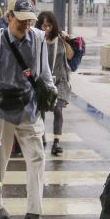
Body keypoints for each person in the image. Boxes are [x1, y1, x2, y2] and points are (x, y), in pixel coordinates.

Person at [0, 0, 56, 219]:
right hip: (0, 106)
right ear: (8, 17)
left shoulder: (38, 39)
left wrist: (51, 92)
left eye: (30, 21)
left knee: (37, 157)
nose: (26, 26)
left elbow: (45, 72)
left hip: (29, 106)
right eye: (21, 21)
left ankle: (34, 212)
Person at [35, 11, 74, 156]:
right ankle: (42, 135)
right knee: (42, 110)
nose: (46, 29)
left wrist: (66, 41)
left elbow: (70, 56)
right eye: (43, 26)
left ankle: (57, 141)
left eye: (49, 25)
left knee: (58, 109)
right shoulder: (38, 39)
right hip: (44, 81)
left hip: (61, 80)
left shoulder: (60, 39)